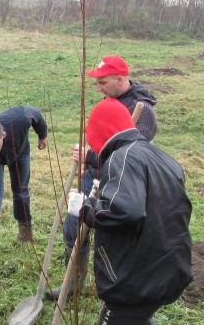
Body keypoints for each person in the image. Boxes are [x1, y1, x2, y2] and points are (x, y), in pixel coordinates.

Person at [65, 97, 191, 325]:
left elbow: (128, 212)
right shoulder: (159, 156)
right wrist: (102, 197)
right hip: (168, 271)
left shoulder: (122, 158)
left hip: (135, 280)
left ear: (100, 136)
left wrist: (88, 209)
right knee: (139, 315)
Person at [51, 55, 158, 300]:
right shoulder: (111, 101)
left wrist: (91, 157)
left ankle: (113, 290)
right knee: (72, 228)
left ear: (120, 79)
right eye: (96, 83)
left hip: (118, 185)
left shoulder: (142, 112)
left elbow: (132, 158)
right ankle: (72, 285)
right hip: (94, 175)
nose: (98, 88)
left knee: (108, 239)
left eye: (103, 82)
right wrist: (90, 162)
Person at [0, 105, 49, 271]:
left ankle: (25, 233)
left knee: (21, 192)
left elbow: (36, 114)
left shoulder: (20, 119)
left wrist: (42, 135)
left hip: (19, 151)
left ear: (3, 135)